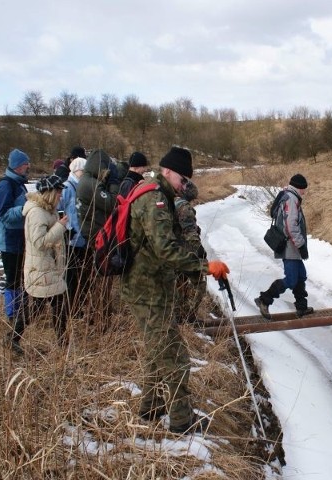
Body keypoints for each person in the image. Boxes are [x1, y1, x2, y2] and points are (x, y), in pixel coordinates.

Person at [121, 146, 229, 435]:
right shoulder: (154, 198)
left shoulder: (160, 194)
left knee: (157, 352)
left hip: (151, 288)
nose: (184, 186)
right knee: (175, 356)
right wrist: (205, 267)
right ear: (167, 171)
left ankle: (150, 407)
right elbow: (165, 249)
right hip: (147, 291)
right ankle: (182, 421)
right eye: (182, 179)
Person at [255, 174, 314, 320]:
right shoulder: (291, 199)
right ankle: (264, 299)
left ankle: (301, 307)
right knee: (292, 279)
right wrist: (301, 246)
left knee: (301, 276)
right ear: (299, 188)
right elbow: (291, 225)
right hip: (290, 246)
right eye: (303, 189)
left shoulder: (287, 196)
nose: (304, 192)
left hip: (290, 244)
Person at [22, 175, 70, 348]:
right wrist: (60, 226)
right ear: (50, 192)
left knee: (59, 306)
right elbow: (40, 243)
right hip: (41, 270)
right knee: (35, 310)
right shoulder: (37, 213)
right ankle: (13, 336)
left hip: (49, 269)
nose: (60, 196)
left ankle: (63, 342)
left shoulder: (49, 210)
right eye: (58, 192)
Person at [76, 149, 119, 325]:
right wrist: (114, 182)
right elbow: (113, 202)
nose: (107, 173)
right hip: (97, 236)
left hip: (95, 234)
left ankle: (101, 315)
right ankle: (100, 318)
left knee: (100, 278)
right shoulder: (90, 184)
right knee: (101, 279)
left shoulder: (89, 181)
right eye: (106, 169)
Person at [0, 149, 30, 354]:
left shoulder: (18, 183)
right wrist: (26, 208)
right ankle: (12, 314)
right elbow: (4, 215)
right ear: (18, 165)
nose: (28, 167)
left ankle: (20, 309)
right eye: (26, 164)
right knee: (12, 279)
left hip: (19, 239)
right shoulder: (6, 185)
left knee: (19, 277)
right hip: (9, 241)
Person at [57, 157, 89, 318]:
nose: (85, 174)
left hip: (82, 238)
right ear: (76, 170)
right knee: (71, 277)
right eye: (83, 171)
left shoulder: (81, 186)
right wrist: (66, 228)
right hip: (72, 239)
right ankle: (71, 309)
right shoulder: (68, 187)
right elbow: (57, 207)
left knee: (81, 276)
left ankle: (79, 306)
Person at [174, 179, 208, 323]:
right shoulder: (184, 207)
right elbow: (189, 231)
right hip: (184, 253)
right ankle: (189, 316)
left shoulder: (172, 201)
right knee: (199, 283)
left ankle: (178, 316)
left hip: (173, 251)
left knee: (179, 284)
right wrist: (200, 251)